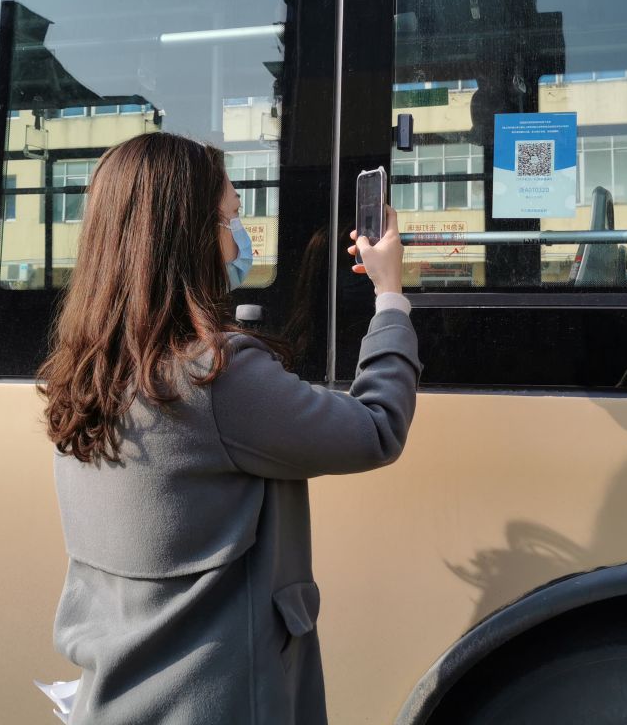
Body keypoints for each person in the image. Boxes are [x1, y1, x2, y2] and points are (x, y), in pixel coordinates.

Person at [38, 132, 419, 724]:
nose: (238, 236)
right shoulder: (215, 377)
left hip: (113, 698)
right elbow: (376, 427)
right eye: (230, 217)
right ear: (188, 234)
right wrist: (390, 295)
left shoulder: (86, 370)